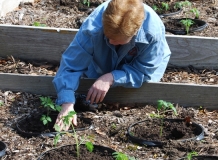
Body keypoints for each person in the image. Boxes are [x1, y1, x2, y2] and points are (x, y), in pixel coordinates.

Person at [53, 0, 171, 131]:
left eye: (117, 40)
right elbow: (71, 65)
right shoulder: (93, 27)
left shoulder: (151, 32)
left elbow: (143, 71)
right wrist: (67, 102)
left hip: (139, 68)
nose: (110, 42)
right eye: (108, 36)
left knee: (140, 88)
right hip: (101, 63)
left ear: (135, 32)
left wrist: (112, 77)